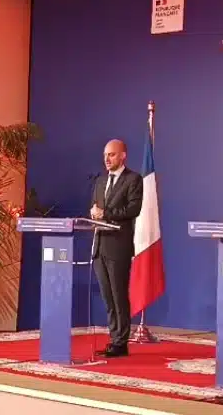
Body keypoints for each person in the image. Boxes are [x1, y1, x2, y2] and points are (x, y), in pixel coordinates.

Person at [90, 139, 143, 357]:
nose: (107, 159)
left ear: (123, 156)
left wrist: (106, 214)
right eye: (105, 155)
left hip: (118, 247)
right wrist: (94, 213)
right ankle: (114, 338)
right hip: (100, 246)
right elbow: (96, 208)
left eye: (111, 155)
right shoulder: (101, 181)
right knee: (107, 297)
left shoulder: (133, 179)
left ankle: (121, 342)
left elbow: (133, 209)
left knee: (119, 295)